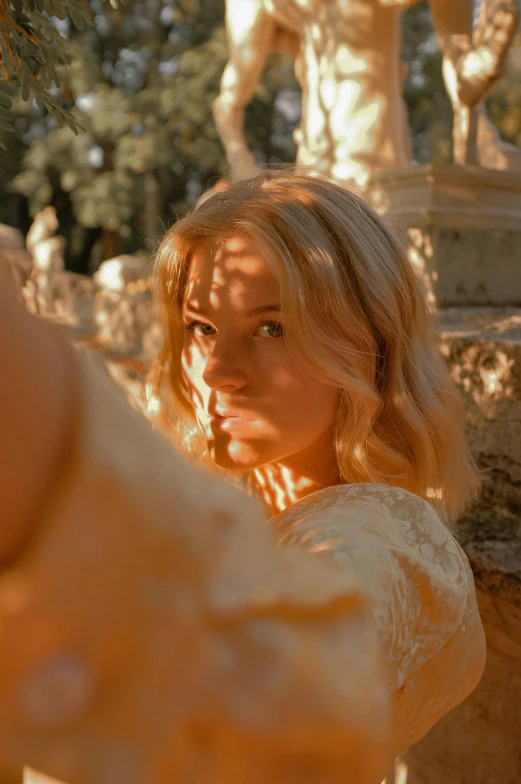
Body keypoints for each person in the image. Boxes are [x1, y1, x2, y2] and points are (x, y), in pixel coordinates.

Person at [0, 169, 485, 784]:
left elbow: (294, 696)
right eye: (202, 328)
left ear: (368, 342)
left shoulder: (385, 535)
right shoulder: (249, 508)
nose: (217, 372)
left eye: (270, 328)